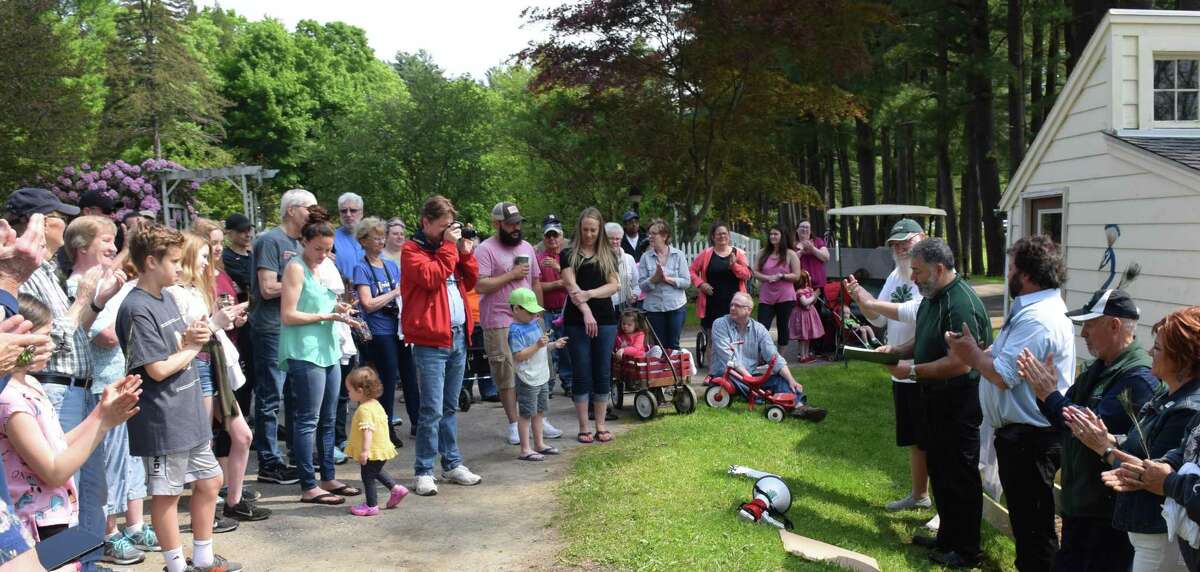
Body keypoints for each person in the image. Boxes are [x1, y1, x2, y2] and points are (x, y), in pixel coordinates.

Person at [944, 235, 1076, 571]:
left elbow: (1003, 375)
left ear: (1029, 276)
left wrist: (969, 354)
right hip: (1023, 437)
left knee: (1034, 528)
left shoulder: (1038, 318)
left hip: (1031, 438)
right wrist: (976, 349)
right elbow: (1001, 357)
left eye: (1012, 268)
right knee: (1027, 523)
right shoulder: (1031, 310)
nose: (1007, 274)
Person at [11, 187, 125, 572]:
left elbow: (73, 333)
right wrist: (82, 302)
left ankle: (85, 562)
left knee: (88, 489)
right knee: (59, 485)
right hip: (54, 387)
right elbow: (43, 338)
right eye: (57, 216)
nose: (65, 222)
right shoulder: (22, 274)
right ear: (37, 223)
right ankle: (67, 564)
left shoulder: (48, 271)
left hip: (74, 386)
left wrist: (95, 301)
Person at [117, 223, 241, 572]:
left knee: (211, 479)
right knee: (167, 493)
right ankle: (175, 566)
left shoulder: (166, 296)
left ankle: (202, 558)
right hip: (162, 416)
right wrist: (197, 343)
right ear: (151, 262)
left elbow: (175, 345)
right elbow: (156, 369)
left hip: (186, 409)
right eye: (173, 261)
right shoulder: (136, 307)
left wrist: (191, 334)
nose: (180, 268)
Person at [870, 237, 991, 568]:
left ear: (939, 269)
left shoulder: (959, 303)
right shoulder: (932, 296)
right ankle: (947, 538)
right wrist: (897, 352)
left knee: (960, 476)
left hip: (958, 401)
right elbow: (922, 337)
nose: (913, 278)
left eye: (918, 271)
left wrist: (909, 371)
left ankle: (967, 550)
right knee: (939, 469)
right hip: (934, 398)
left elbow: (961, 363)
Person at [1016, 288, 1156, 571]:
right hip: (1080, 504)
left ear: (1114, 325)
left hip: (1106, 514)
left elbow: (1088, 428)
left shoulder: (1138, 377)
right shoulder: (1100, 367)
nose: (1083, 334)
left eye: (1089, 325)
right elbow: (1063, 419)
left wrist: (1050, 395)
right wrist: (1046, 394)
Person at [1065, 308, 1200, 572]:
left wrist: (1103, 448)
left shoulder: (1187, 408)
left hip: (1156, 534)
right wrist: (1111, 439)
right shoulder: (1168, 396)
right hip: (1143, 529)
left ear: (1182, 360)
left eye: (1158, 348)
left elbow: (1154, 469)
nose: (1149, 352)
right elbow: (1149, 449)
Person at [0, 295, 140, 544]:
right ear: (20, 340)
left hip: (58, 513)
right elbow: (53, 472)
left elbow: (57, 444)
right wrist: (104, 423)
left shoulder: (31, 383)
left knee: (71, 562)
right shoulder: (10, 401)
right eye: (44, 338)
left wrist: (101, 412)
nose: (52, 346)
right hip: (36, 525)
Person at [63, 216, 161, 562]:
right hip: (99, 387)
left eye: (114, 240)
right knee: (101, 472)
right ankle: (107, 534)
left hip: (121, 383)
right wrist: (145, 333)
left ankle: (126, 529)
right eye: (105, 240)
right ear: (82, 246)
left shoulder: (107, 281)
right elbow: (103, 336)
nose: (112, 247)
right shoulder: (80, 284)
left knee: (126, 466)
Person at [845, 219, 931, 517]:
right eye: (895, 244)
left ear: (922, 238)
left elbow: (915, 313)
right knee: (915, 439)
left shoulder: (929, 275)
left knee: (934, 440)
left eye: (905, 242)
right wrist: (861, 297)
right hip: (900, 367)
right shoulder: (897, 274)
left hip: (928, 368)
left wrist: (872, 302)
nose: (900, 248)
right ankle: (919, 496)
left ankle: (942, 509)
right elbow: (879, 320)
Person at [400, 195, 483, 496]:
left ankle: (452, 463)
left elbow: (471, 281)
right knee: (431, 408)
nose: (449, 232)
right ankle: (423, 470)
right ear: (426, 223)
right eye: (443, 227)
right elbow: (432, 278)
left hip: (458, 335)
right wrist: (450, 247)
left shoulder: (449, 249)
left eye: (452, 226)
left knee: (449, 406)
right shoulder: (411, 250)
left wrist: (466, 252)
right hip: (430, 340)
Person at [278, 207, 361, 506]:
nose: (323, 255)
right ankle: (308, 484)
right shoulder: (296, 267)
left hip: (327, 348)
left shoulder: (322, 268)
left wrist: (339, 311)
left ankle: (328, 476)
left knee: (329, 418)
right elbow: (288, 315)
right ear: (304, 242)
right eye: (318, 249)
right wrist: (327, 315)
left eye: (328, 250)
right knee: (307, 420)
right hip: (304, 351)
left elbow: (323, 303)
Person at [474, 202, 561, 446]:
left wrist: (540, 314)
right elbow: (480, 285)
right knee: (507, 372)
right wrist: (511, 275)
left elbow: (535, 282)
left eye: (518, 223)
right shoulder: (484, 249)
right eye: (511, 223)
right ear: (497, 223)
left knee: (537, 368)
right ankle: (514, 423)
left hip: (530, 318)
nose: (515, 228)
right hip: (499, 319)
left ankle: (538, 419)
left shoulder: (526, 247)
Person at [250, 189, 317, 486]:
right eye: (309, 208)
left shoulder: (303, 243)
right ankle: (268, 461)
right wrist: (301, 284)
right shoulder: (269, 240)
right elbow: (266, 287)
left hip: (296, 328)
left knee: (295, 394)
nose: (314, 213)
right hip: (271, 328)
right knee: (270, 395)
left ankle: (295, 454)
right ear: (292, 210)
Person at [353, 217, 418, 448]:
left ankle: (417, 421)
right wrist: (394, 293)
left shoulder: (390, 265)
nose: (381, 241)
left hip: (398, 328)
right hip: (378, 331)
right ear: (364, 241)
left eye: (382, 237)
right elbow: (367, 303)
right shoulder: (361, 267)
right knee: (388, 379)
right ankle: (385, 425)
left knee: (410, 374)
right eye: (376, 238)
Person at [710, 292, 827, 421]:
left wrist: (791, 379)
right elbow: (727, 356)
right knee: (739, 378)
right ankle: (767, 398)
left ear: (748, 310)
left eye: (737, 305)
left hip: (751, 374)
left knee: (781, 380)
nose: (732, 308)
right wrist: (749, 379)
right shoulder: (720, 324)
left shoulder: (759, 329)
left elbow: (773, 356)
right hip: (728, 373)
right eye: (731, 304)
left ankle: (800, 407)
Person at [561, 207, 621, 444]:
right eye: (585, 229)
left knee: (602, 371)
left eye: (593, 230)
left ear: (600, 230)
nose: (588, 234)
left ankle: (601, 424)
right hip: (577, 321)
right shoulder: (568, 254)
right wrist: (585, 310)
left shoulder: (608, 255)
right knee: (581, 371)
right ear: (579, 229)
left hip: (605, 319)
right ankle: (583, 427)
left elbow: (614, 285)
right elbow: (570, 285)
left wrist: (589, 294)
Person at [507, 288, 567, 462]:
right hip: (527, 377)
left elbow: (541, 348)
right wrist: (538, 346)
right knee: (526, 413)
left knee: (540, 411)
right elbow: (518, 355)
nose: (534, 314)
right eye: (529, 311)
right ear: (516, 309)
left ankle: (539, 444)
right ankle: (525, 448)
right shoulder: (515, 331)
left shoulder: (535, 324)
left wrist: (554, 345)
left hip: (541, 374)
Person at [343, 366, 409, 517]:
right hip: (382, 448)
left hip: (372, 450)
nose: (348, 393)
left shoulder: (364, 410)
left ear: (360, 391)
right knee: (376, 471)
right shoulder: (376, 404)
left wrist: (365, 451)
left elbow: (367, 431)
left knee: (368, 477)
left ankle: (371, 505)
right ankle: (396, 489)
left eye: (349, 390)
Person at [691, 221, 751, 365]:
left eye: (725, 233)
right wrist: (701, 284)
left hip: (735, 303)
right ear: (713, 237)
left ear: (729, 236)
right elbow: (691, 271)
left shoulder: (738, 254)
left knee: (736, 338)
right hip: (713, 302)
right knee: (714, 339)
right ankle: (713, 372)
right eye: (718, 234)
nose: (722, 236)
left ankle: (737, 369)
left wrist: (734, 265)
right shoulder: (706, 254)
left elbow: (747, 275)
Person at [637, 219, 689, 350]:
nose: (650, 237)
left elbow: (686, 282)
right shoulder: (645, 257)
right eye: (649, 233)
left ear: (664, 236)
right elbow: (642, 286)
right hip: (654, 309)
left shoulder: (678, 255)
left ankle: (673, 371)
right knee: (659, 347)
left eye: (654, 234)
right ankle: (661, 371)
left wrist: (667, 279)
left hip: (676, 307)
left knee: (673, 345)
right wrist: (654, 279)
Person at [538, 215, 572, 396]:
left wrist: (559, 269)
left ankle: (568, 382)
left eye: (555, 235)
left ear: (561, 237)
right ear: (544, 238)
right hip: (547, 311)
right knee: (548, 350)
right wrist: (557, 284)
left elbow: (575, 282)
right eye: (548, 236)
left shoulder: (569, 256)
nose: (552, 239)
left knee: (566, 349)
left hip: (567, 310)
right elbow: (536, 286)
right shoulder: (538, 258)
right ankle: (548, 384)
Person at [753, 224, 801, 348]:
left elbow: (797, 275)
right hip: (766, 296)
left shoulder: (790, 254)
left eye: (776, 234)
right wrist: (767, 278)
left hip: (785, 296)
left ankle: (780, 359)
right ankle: (762, 355)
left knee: (782, 326)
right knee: (762, 326)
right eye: (771, 234)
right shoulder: (762, 253)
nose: (772, 236)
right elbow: (755, 272)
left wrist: (782, 276)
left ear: (782, 236)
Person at [789, 271, 824, 363]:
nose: (810, 278)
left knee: (807, 336)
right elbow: (804, 302)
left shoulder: (808, 289)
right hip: (802, 315)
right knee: (803, 337)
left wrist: (814, 296)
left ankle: (806, 354)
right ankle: (802, 355)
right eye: (808, 277)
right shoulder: (799, 292)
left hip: (809, 315)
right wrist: (814, 296)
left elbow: (812, 302)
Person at [605, 222, 640, 311]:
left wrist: (635, 295)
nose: (615, 241)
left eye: (618, 239)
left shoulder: (629, 259)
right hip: (604, 307)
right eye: (611, 238)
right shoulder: (598, 260)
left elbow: (637, 284)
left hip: (626, 308)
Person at [221, 213, 254, 302]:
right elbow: (249, 284)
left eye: (249, 230)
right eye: (242, 231)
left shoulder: (252, 255)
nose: (248, 235)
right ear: (229, 233)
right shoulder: (226, 257)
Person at [333, 192, 365, 281]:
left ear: (361, 213)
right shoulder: (331, 237)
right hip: (343, 291)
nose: (348, 214)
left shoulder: (372, 237)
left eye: (353, 210)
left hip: (372, 293)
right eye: (343, 211)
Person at [793, 219, 829, 291]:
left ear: (810, 230)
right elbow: (788, 263)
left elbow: (826, 257)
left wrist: (812, 249)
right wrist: (801, 252)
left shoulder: (818, 241)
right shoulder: (792, 244)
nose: (804, 229)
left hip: (818, 284)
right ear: (797, 230)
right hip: (799, 284)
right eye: (802, 227)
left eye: (807, 227)